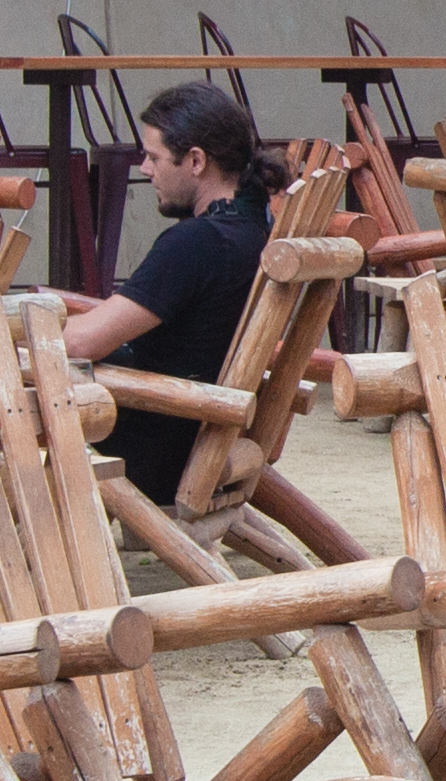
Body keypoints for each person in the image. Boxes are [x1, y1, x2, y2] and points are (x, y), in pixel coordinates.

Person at [62, 81, 282, 507]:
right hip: (198, 433)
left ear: (196, 160)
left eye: (154, 156)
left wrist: (13, 334)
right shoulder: (254, 231)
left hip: (153, 449)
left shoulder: (197, 243)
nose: (145, 169)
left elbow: (82, 342)